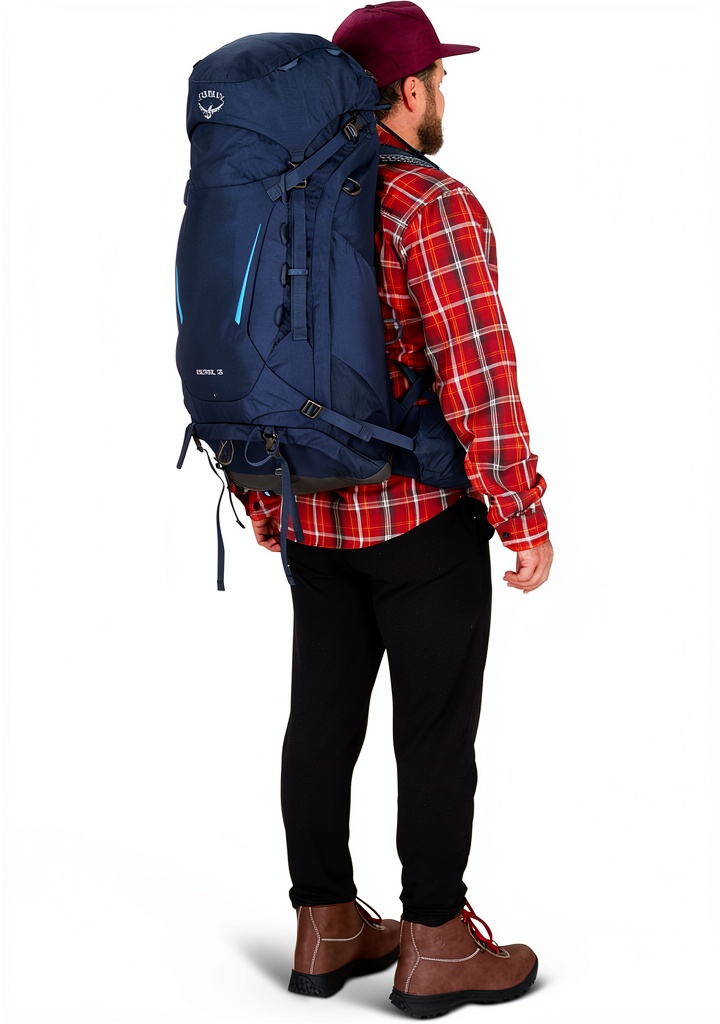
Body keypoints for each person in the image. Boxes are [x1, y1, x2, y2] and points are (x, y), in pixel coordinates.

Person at [238, 2, 554, 1015]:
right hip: (419, 522)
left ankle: (326, 924)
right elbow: (479, 372)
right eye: (440, 80)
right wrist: (522, 510)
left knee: (321, 718)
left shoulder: (277, 195)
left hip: (310, 513)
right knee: (433, 731)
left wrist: (260, 488)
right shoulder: (432, 203)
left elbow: (244, 356)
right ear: (409, 91)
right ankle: (436, 942)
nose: (444, 94)